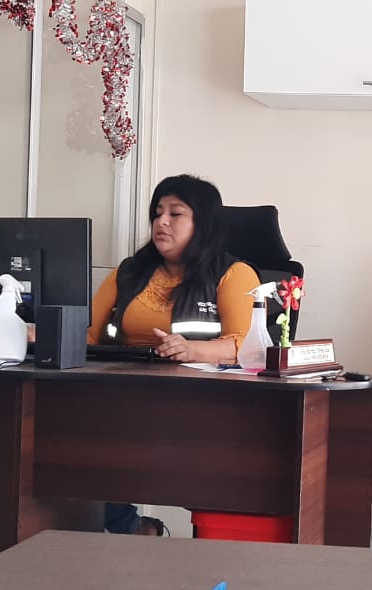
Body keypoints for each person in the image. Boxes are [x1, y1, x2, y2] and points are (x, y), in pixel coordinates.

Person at [91, 173, 261, 535]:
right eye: (157, 213)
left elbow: (242, 346)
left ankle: (133, 530)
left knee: (100, 442)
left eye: (176, 213)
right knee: (73, 438)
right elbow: (89, 333)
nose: (161, 221)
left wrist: (190, 349)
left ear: (203, 224)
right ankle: (127, 529)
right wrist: (35, 333)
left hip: (199, 400)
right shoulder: (129, 272)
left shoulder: (233, 274)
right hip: (123, 391)